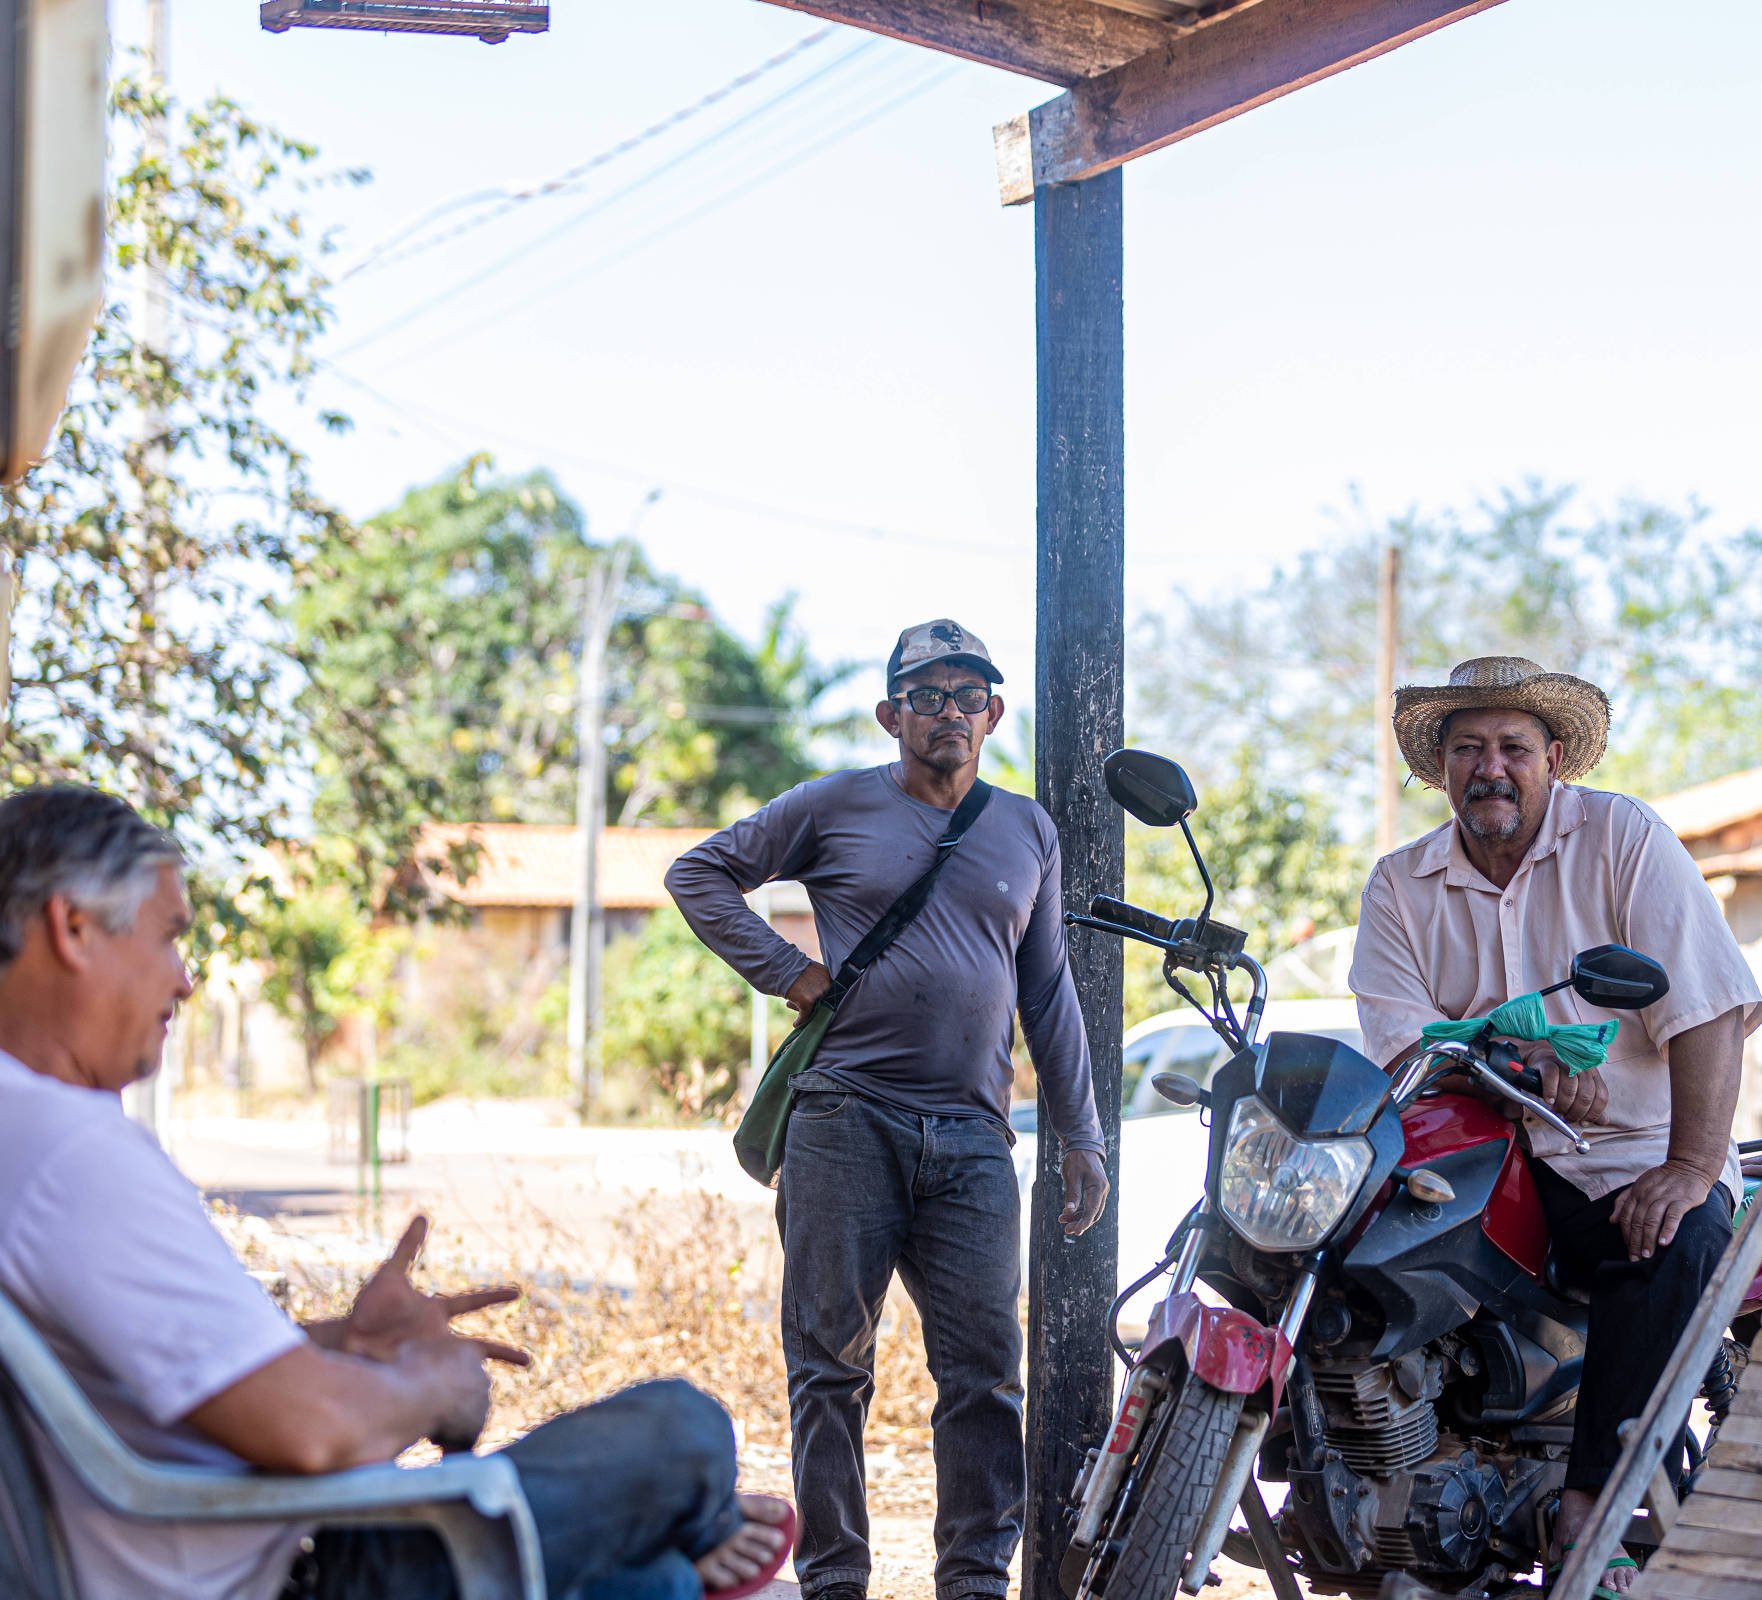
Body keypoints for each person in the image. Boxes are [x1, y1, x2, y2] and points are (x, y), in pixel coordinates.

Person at [0, 784, 797, 1600]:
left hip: (236, 1548)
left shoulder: (25, 1142)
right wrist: (434, 1384)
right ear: (72, 928)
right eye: (170, 938)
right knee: (683, 1429)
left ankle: (684, 1544)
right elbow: (312, 1429)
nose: (186, 981)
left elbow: (173, 1379)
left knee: (656, 1584)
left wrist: (347, 1342)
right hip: (293, 1575)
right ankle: (707, 1522)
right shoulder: (70, 1151)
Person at [666, 617, 1110, 1600]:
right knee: (829, 1365)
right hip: (844, 1120)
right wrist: (788, 972)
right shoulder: (834, 806)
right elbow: (697, 873)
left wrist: (1080, 1130)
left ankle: (971, 1582)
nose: (947, 713)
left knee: (987, 1375)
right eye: (926, 696)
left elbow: (1049, 991)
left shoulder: (1026, 828)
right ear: (890, 713)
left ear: (993, 713)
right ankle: (833, 1579)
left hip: (973, 1139)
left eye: (966, 696)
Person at [1347, 656, 1762, 1595]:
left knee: (1674, 1237)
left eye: (1512, 747)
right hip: (1485, 1158)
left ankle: (1592, 1504)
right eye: (1466, 749)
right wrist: (1509, 1070)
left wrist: (1694, 1165)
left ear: (1556, 757)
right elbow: (1400, 1043)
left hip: (1627, 1153)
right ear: (1437, 769)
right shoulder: (1399, 885)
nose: (1489, 768)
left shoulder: (1623, 836)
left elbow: (1706, 1007)